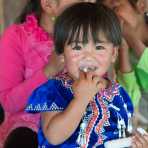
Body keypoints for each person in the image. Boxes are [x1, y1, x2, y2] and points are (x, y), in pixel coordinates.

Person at [26, 2, 134, 147]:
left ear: (113, 53)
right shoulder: (54, 90)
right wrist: (81, 100)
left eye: (99, 47)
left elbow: (124, 134)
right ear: (62, 53)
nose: (88, 56)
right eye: (77, 47)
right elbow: (54, 136)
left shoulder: (118, 94)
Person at [0, 0, 93, 147]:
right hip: (28, 130)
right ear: (48, 4)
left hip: (75, 124)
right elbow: (9, 103)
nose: (88, 3)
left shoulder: (90, 40)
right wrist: (48, 70)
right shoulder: (17, 37)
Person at [97, 0, 148, 147]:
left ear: (141, 5)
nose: (111, 18)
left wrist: (132, 39)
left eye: (115, 7)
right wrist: (124, 49)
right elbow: (128, 99)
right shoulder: (116, 55)